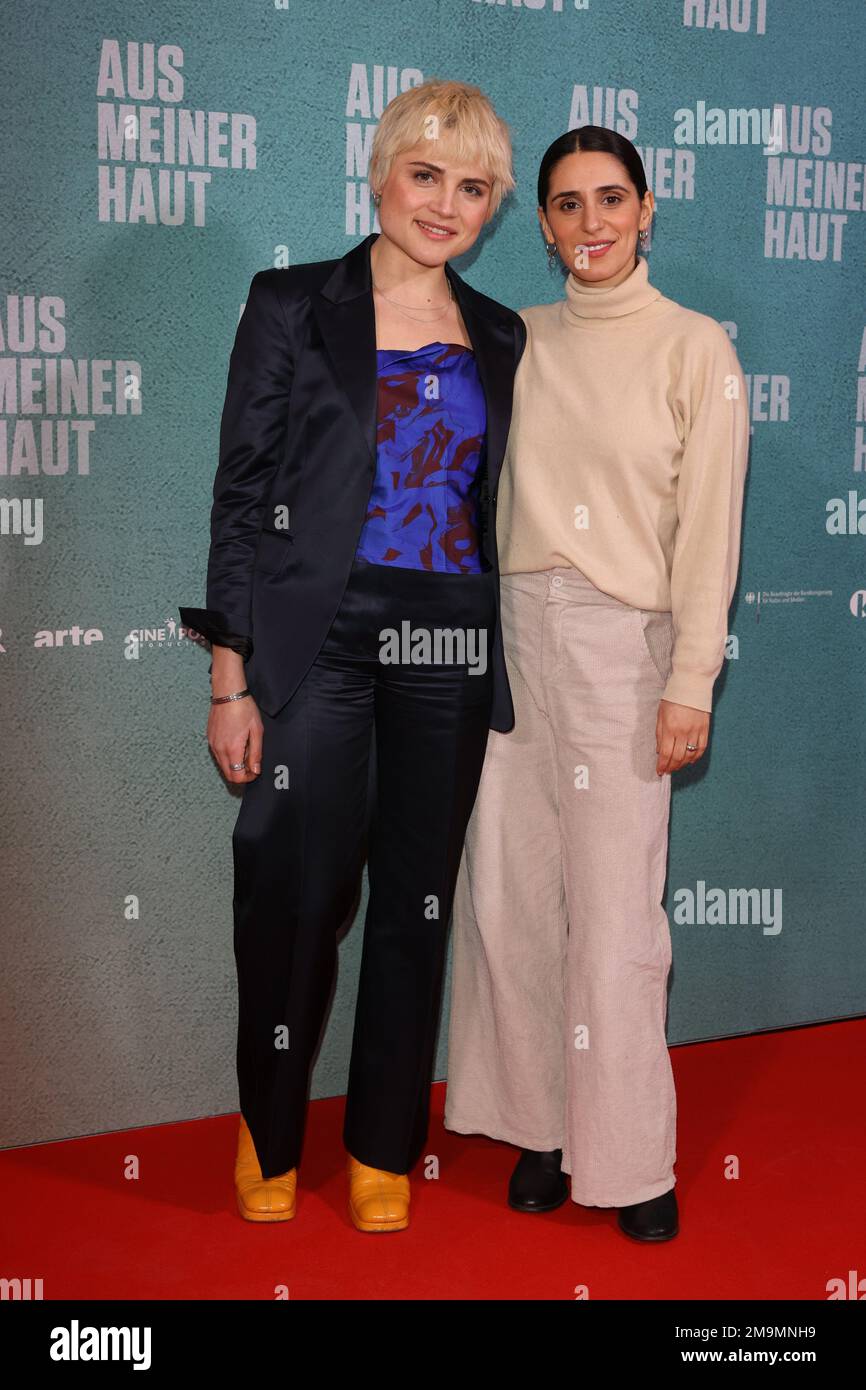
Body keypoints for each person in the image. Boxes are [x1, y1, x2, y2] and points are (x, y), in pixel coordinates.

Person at [179, 78, 526, 1231]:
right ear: (379, 173)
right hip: (313, 638)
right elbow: (240, 496)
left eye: (471, 189)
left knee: (415, 901)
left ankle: (385, 1141)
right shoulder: (289, 304)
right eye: (425, 175)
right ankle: (268, 1129)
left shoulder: (501, 334)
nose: (444, 204)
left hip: (444, 637)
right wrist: (229, 673)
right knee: (291, 891)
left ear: (490, 211)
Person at [443, 125, 750, 1242]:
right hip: (513, 644)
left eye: (609, 199)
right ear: (540, 222)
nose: (590, 224)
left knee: (617, 916)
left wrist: (689, 682)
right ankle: (542, 1128)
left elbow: (708, 535)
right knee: (512, 898)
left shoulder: (693, 349)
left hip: (627, 649)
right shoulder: (513, 340)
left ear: (646, 207)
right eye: (566, 205)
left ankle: (628, 1158)